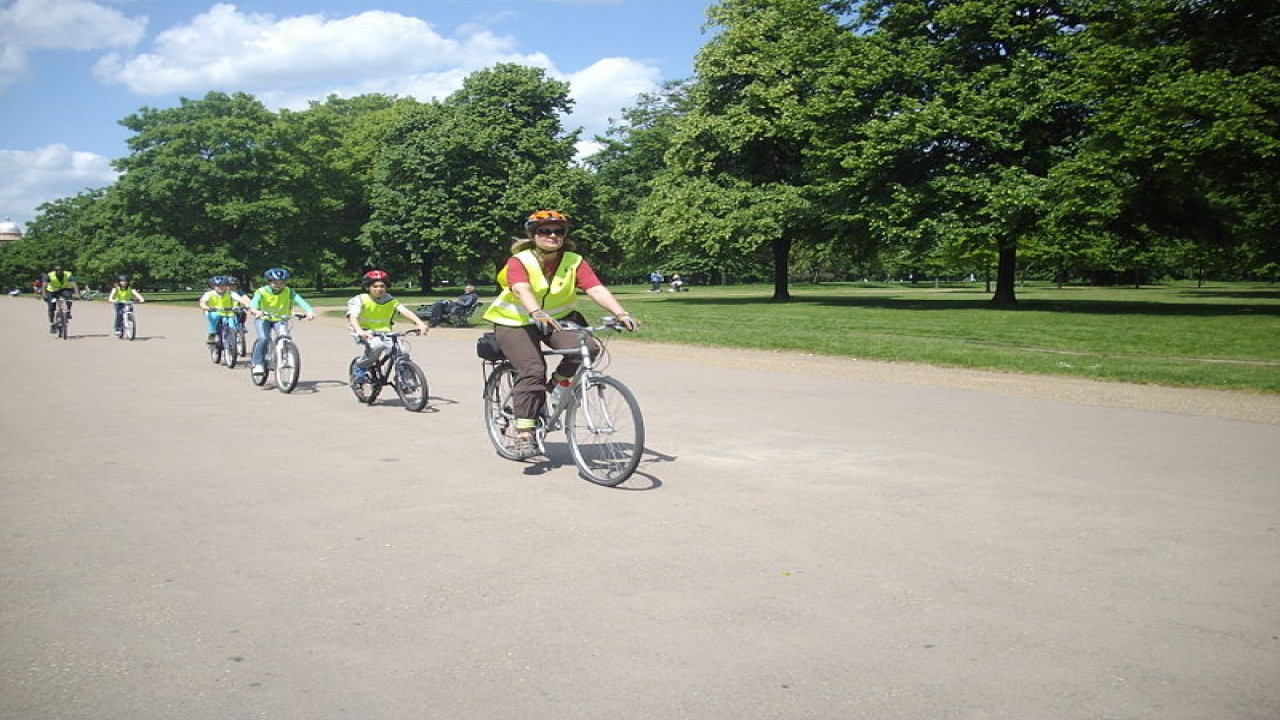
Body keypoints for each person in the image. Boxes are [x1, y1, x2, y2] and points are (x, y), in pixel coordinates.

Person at [482, 210, 638, 459]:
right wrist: (535, 311)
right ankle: (524, 434)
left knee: (589, 348)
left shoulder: (574, 261)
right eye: (544, 231)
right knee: (532, 368)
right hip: (515, 320)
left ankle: (555, 386)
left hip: (556, 319)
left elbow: (596, 288)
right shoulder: (520, 261)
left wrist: (621, 314)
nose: (552, 235)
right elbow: (521, 288)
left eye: (558, 231)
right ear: (533, 235)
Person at [347, 270, 429, 383]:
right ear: (367, 288)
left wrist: (420, 323)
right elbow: (353, 317)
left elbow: (405, 311)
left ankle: (404, 377)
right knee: (377, 345)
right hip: (365, 331)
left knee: (402, 351)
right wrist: (360, 331)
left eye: (382, 286)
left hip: (385, 332)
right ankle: (360, 366)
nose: (379, 289)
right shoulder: (360, 299)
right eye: (375, 286)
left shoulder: (390, 299)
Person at [248, 268, 315, 378]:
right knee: (264, 338)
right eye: (275, 282)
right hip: (264, 318)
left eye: (281, 282)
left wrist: (309, 311)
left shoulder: (288, 291)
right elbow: (253, 305)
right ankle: (257, 363)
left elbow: (300, 301)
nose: (278, 285)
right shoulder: (261, 291)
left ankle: (283, 357)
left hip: (281, 319)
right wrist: (256, 311)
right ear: (269, 282)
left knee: (284, 337)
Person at [198, 276, 247, 344]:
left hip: (228, 311)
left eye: (223, 285)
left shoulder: (230, 293)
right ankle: (212, 334)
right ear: (214, 286)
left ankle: (233, 335)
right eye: (218, 286)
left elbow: (240, 299)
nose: (220, 287)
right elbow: (202, 302)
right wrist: (206, 307)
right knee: (214, 316)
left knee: (234, 319)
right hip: (213, 311)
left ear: (226, 285)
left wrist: (246, 305)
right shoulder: (209, 294)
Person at [41, 265, 79, 333]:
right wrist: (44, 294)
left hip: (64, 289)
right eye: (57, 270)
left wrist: (77, 293)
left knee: (69, 297)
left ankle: (68, 311)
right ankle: (52, 324)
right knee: (51, 307)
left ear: (63, 271)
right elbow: (44, 285)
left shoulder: (68, 274)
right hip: (52, 291)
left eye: (60, 270)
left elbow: (74, 284)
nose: (59, 272)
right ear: (54, 271)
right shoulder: (49, 275)